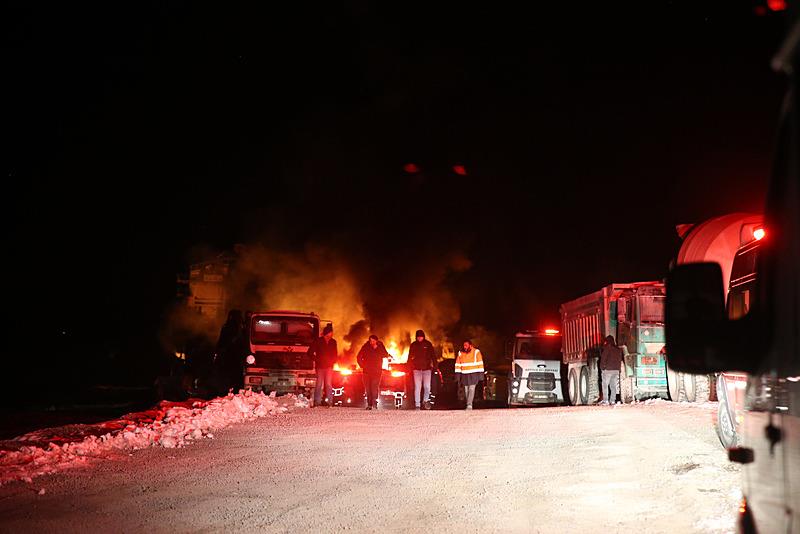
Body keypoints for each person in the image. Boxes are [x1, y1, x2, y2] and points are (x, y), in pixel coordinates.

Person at [213, 309, 245, 395]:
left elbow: (221, 341)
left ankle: (227, 391)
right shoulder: (240, 328)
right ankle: (233, 390)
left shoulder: (230, 327)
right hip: (233, 356)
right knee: (234, 375)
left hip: (230, 356)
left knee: (228, 375)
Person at [307, 323, 338, 407]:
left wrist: (333, 361)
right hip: (320, 367)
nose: (332, 334)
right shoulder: (318, 341)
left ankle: (329, 402)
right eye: (331, 332)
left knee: (328, 384)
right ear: (326, 333)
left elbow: (335, 354)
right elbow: (309, 352)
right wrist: (317, 360)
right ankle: (317, 402)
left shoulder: (333, 342)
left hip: (329, 367)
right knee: (319, 384)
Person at [357, 334, 389, 410]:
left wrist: (378, 348)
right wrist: (362, 365)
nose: (372, 342)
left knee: (374, 387)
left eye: (373, 341)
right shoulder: (366, 347)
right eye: (371, 341)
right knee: (368, 389)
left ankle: (374, 404)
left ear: (376, 341)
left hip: (377, 371)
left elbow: (385, 354)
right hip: (366, 372)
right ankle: (369, 404)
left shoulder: (380, 346)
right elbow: (359, 357)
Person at [408, 329, 436, 410]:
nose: (419, 338)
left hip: (427, 370)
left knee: (427, 387)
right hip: (416, 370)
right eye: (418, 337)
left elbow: (433, 355)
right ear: (416, 337)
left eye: (421, 337)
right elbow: (409, 357)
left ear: (423, 337)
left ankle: (425, 401)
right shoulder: (413, 345)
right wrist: (409, 366)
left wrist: (435, 366)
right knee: (417, 387)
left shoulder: (428, 344)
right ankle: (417, 404)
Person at [455, 340, 484, 410]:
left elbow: (480, 363)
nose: (465, 347)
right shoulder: (460, 353)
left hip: (474, 374)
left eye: (466, 345)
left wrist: (481, 375)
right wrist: (457, 375)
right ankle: (468, 403)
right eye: (464, 345)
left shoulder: (476, 352)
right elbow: (458, 365)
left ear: (470, 346)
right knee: (466, 390)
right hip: (464, 374)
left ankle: (469, 405)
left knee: (471, 389)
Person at [599, 335, 623, 405]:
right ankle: (612, 400)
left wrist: (602, 367)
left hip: (608, 370)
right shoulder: (618, 349)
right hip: (616, 370)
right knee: (613, 386)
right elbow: (619, 360)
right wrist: (619, 369)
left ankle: (605, 400)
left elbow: (603, 358)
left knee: (605, 385)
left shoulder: (607, 348)